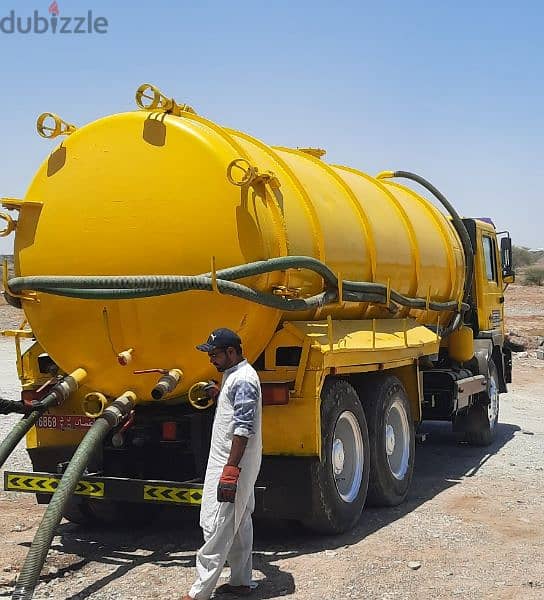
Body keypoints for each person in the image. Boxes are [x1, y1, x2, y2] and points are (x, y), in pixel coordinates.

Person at [182, 328, 262, 600]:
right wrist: (220, 394)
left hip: (232, 463)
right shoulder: (233, 377)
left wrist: (231, 469)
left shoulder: (243, 381)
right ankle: (241, 582)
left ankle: (199, 593)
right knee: (237, 524)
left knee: (216, 524)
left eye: (214, 355)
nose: (211, 361)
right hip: (232, 461)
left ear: (231, 352)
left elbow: (243, 429)